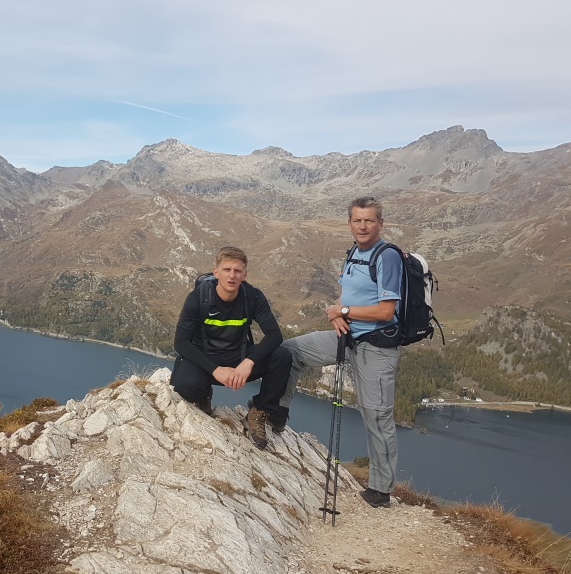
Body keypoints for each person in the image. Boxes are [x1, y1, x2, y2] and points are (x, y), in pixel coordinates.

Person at [281, 196, 403, 508]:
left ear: (380, 223)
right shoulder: (353, 252)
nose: (363, 226)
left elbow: (386, 311)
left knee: (377, 416)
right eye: (357, 220)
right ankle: (277, 412)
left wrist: (343, 311)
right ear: (349, 224)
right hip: (347, 337)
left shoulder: (387, 256)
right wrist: (336, 313)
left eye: (369, 220)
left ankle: (380, 490)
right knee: (289, 352)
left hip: (376, 347)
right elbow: (348, 296)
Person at [170, 246, 292, 450]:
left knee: (282, 356)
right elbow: (181, 342)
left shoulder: (253, 297)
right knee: (185, 385)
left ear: (245, 275)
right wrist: (215, 370)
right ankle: (202, 396)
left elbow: (274, 335)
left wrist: (248, 363)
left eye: (237, 271)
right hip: (206, 359)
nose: (232, 276)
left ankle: (258, 412)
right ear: (216, 272)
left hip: (238, 357)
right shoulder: (199, 298)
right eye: (227, 270)